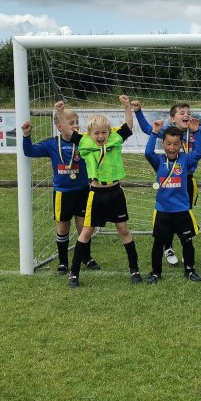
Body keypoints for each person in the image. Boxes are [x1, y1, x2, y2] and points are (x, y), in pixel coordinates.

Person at [60, 96, 142, 287]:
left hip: (115, 192)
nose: (100, 136)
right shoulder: (83, 141)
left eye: (104, 132)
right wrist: (61, 113)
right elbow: (66, 130)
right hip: (96, 194)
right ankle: (74, 273)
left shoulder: (115, 136)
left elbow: (128, 125)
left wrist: (127, 106)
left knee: (123, 230)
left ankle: (135, 269)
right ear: (89, 132)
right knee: (87, 231)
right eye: (96, 133)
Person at [134, 99, 201, 266]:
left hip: (187, 180)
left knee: (184, 214)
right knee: (167, 213)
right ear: (173, 119)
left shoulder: (196, 131)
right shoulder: (167, 133)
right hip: (169, 179)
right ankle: (167, 247)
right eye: (182, 113)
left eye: (188, 113)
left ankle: (185, 244)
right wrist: (138, 111)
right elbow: (148, 129)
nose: (186, 115)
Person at [20, 104, 100, 275]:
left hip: (82, 190)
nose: (75, 125)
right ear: (59, 126)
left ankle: (86, 257)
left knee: (83, 227)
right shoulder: (51, 144)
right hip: (62, 193)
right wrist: (27, 135)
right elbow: (30, 151)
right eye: (71, 123)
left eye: (77, 122)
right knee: (63, 228)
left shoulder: (85, 142)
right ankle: (63, 262)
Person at [143, 121, 201, 284]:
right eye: (168, 144)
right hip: (162, 210)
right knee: (158, 243)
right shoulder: (158, 161)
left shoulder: (186, 160)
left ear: (181, 145)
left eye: (176, 144)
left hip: (182, 210)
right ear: (163, 143)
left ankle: (190, 270)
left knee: (187, 242)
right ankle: (156, 272)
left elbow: (200, 152)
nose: (172, 148)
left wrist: (196, 132)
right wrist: (154, 133)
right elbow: (148, 152)